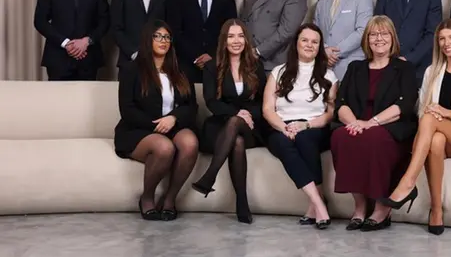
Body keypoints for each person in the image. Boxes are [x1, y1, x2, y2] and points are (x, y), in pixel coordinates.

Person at [380, 18, 451, 236]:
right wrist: (434, 113)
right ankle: (437, 211)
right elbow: (421, 109)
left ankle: (408, 182)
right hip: (436, 135)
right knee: (436, 138)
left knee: (431, 118)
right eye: (441, 39)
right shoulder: (432, 71)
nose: (446, 43)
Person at [331, 15, 418, 232]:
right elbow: (341, 103)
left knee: (374, 138)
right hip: (358, 123)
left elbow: (404, 105)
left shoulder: (404, 68)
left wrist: (370, 123)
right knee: (341, 136)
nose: (379, 38)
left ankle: (381, 208)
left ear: (392, 38)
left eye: (384, 33)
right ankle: (360, 206)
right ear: (367, 40)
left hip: (391, 127)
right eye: (373, 34)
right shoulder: (355, 68)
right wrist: (355, 123)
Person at [114, 20, 199, 221]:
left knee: (190, 143)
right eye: (158, 36)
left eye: (167, 37)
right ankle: (147, 198)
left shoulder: (181, 70)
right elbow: (127, 110)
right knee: (164, 147)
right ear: (148, 39)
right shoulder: (132, 69)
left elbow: (192, 106)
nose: (163, 41)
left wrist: (173, 118)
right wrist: (158, 125)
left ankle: (169, 199)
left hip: (172, 125)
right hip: (138, 129)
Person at [262, 23, 338, 230]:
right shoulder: (278, 72)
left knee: (305, 139)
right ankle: (319, 202)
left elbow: (330, 114)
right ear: (296, 43)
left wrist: (306, 125)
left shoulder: (329, 76)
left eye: (315, 42)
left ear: (320, 47)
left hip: (314, 127)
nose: (309, 45)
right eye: (305, 40)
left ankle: (315, 207)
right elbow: (268, 109)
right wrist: (284, 128)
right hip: (281, 126)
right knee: (282, 143)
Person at [191, 19, 267, 224]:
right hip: (221, 125)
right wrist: (237, 112)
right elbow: (211, 101)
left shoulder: (256, 65)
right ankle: (242, 203)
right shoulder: (211, 67)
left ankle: (210, 176)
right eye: (231, 36)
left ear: (246, 40)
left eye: (241, 36)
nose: (236, 41)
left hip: (251, 126)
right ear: (224, 40)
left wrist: (246, 115)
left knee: (237, 126)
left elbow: (263, 101)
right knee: (236, 141)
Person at [165, 0, 238, 83]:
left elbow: (230, 31)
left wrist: (212, 56)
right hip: (185, 65)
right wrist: (195, 57)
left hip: (217, 65)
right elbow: (173, 31)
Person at [313, 0, 373, 80]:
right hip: (323, 68)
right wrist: (324, 51)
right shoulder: (321, 4)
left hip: (351, 68)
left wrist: (333, 53)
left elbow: (362, 31)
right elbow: (315, 33)